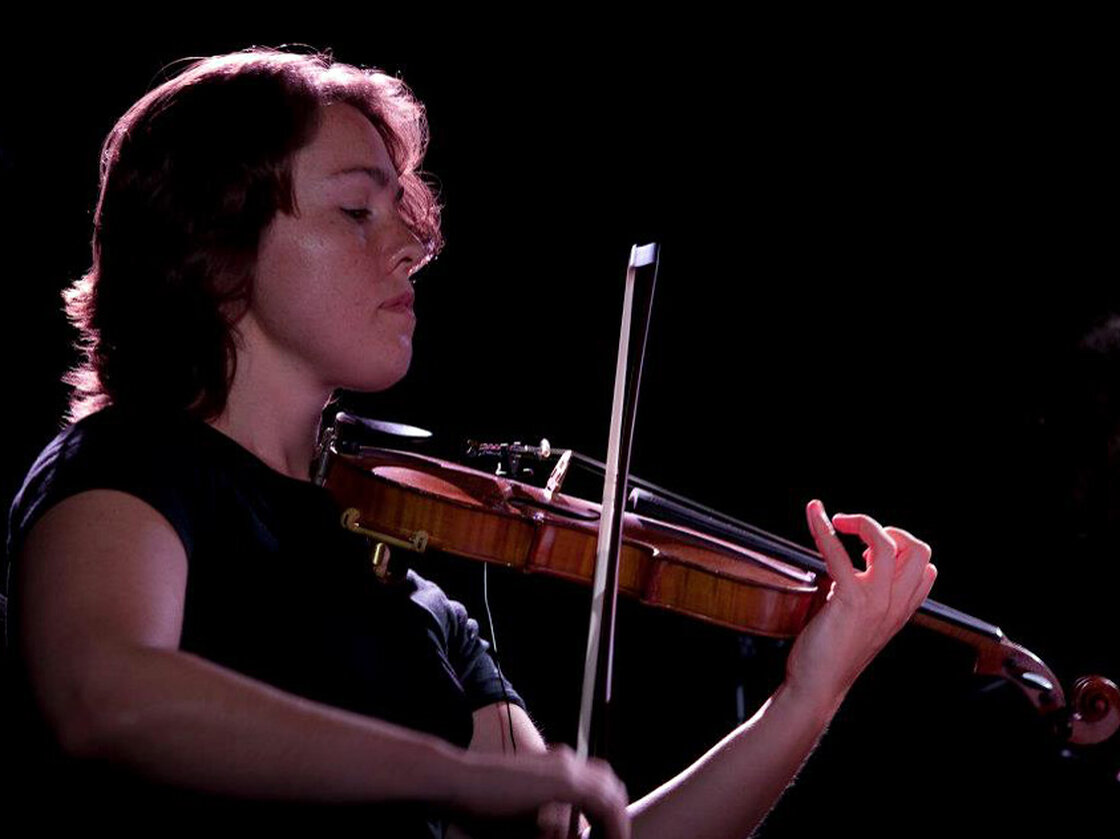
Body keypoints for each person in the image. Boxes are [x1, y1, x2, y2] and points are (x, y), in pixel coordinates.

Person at [2, 48, 936, 837]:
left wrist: (807, 695)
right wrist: (453, 772)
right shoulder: (130, 465)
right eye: (358, 211)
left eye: (403, 212)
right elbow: (106, 693)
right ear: (215, 244)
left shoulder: (407, 591)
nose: (411, 246)